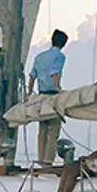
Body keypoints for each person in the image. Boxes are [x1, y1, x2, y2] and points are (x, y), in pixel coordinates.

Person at [28, 29, 68, 165]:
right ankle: (47, 161)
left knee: (42, 130)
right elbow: (54, 72)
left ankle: (40, 159)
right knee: (53, 131)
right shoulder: (60, 56)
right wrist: (58, 88)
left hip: (41, 95)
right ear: (63, 44)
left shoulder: (39, 57)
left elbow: (32, 76)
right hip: (52, 96)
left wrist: (29, 93)